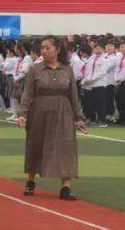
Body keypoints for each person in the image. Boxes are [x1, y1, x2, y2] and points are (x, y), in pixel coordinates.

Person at [17, 36, 88, 200]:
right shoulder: (35, 69)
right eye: (42, 48)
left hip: (64, 111)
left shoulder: (67, 69)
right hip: (39, 111)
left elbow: (74, 96)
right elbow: (27, 93)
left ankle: (66, 187)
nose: (44, 50)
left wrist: (79, 117)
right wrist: (22, 114)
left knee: (66, 146)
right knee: (36, 143)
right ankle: (30, 181)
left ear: (57, 50)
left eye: (47, 47)